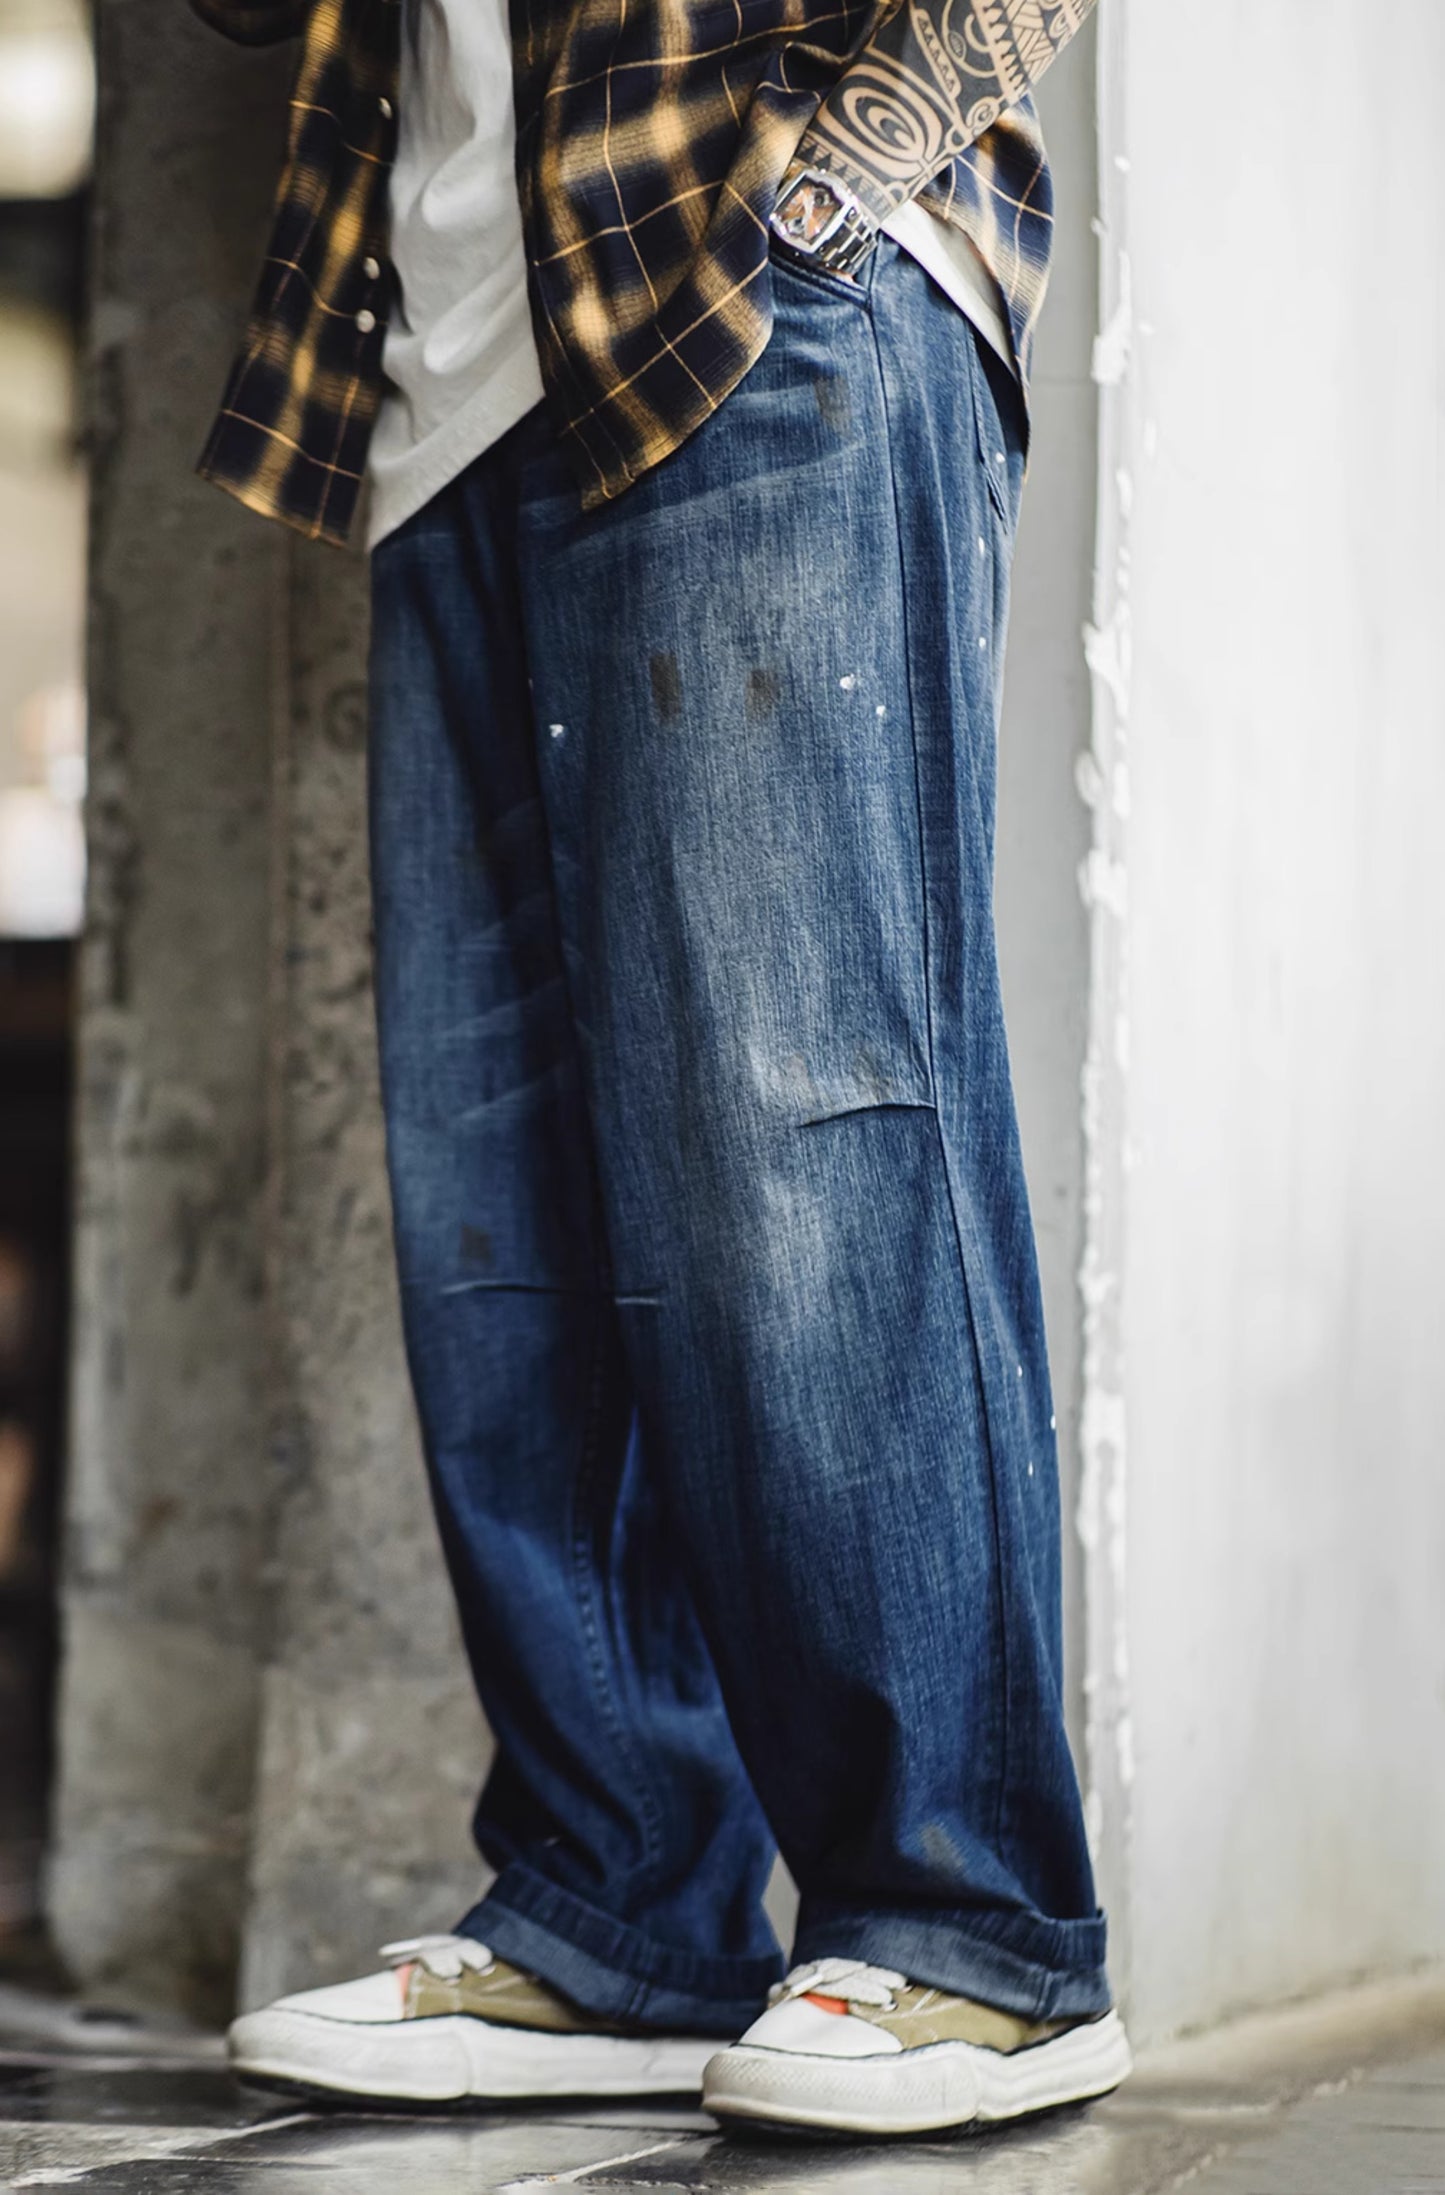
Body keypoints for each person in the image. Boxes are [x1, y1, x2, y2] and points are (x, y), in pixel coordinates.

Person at [189, 0, 1129, 2139]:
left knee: (811, 1140)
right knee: (503, 1199)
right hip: (441, 360)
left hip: (742, 287)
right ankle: (618, 1898)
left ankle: (974, 1932)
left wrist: (837, 180)